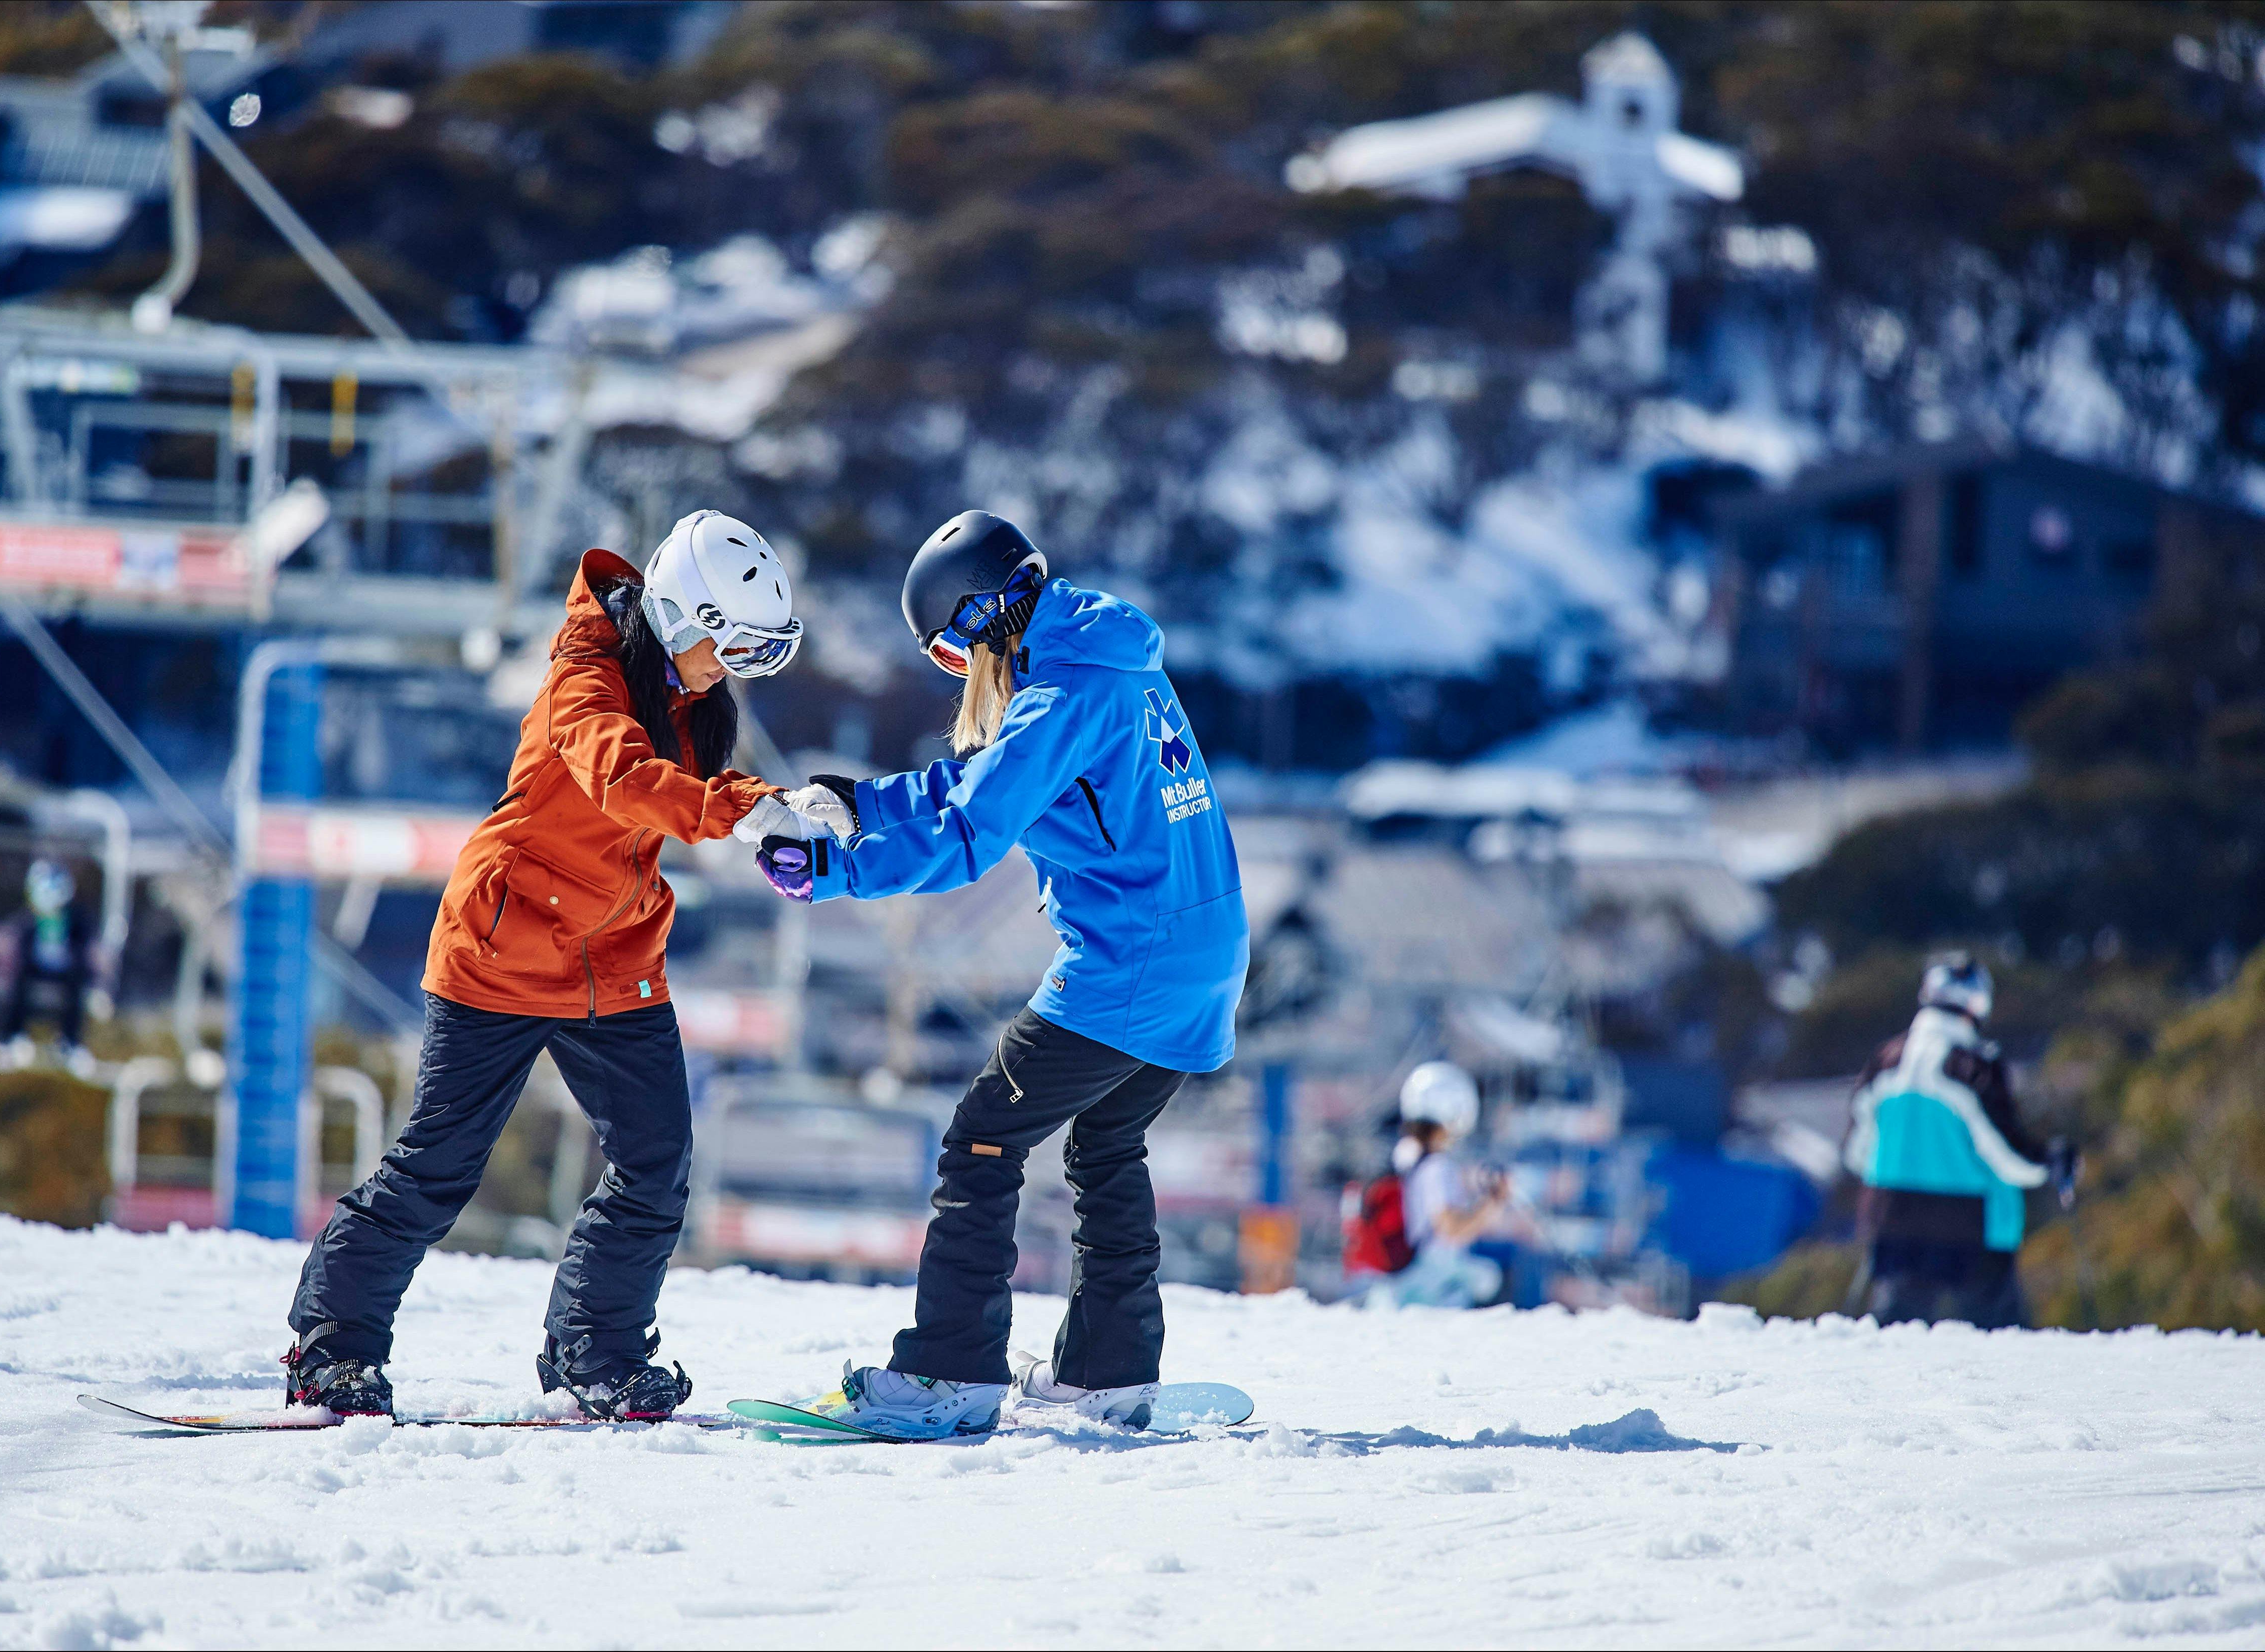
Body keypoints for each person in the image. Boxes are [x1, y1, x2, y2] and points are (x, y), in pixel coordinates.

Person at [283, 511, 824, 1421]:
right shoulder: (584, 679)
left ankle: (595, 1353)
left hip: (613, 959)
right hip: (501, 950)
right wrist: (742, 810)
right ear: (685, 620)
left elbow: (666, 813)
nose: (731, 668)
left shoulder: (693, 701)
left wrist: (785, 824)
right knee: (439, 1165)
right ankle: (332, 1350)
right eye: (731, 645)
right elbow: (619, 777)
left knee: (657, 1160)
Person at [749, 510, 1249, 1438]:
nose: (957, 673)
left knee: (980, 1139)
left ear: (983, 619)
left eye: (947, 653)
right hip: (1203, 955)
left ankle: (948, 1369)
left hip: (1130, 962)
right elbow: (973, 787)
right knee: (1104, 1145)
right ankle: (1105, 1372)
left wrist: (835, 869)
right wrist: (857, 803)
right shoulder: (1108, 660)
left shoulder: (1060, 696)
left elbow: (972, 833)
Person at [1842, 952, 2072, 1328]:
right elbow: (2010, 1157)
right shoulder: (1971, 1064)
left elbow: (1856, 1152)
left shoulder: (1885, 1059)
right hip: (1970, 1226)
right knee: (1999, 1337)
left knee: (1893, 1338)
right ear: (1977, 1004)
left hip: (1892, 1217)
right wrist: (2052, 1161)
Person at [1364, 1061, 1511, 1309]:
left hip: (1404, 1282)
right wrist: (1493, 1203)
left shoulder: (1405, 1156)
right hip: (1433, 1288)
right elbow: (1450, 1229)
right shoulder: (1437, 1167)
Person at [0, 858, 90, 1066]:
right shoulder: (30, 918)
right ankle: (11, 1037)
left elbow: (82, 944)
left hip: (64, 970)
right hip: (36, 968)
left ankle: (70, 1043)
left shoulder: (74, 916)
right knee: (20, 982)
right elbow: (22, 946)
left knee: (77, 986)